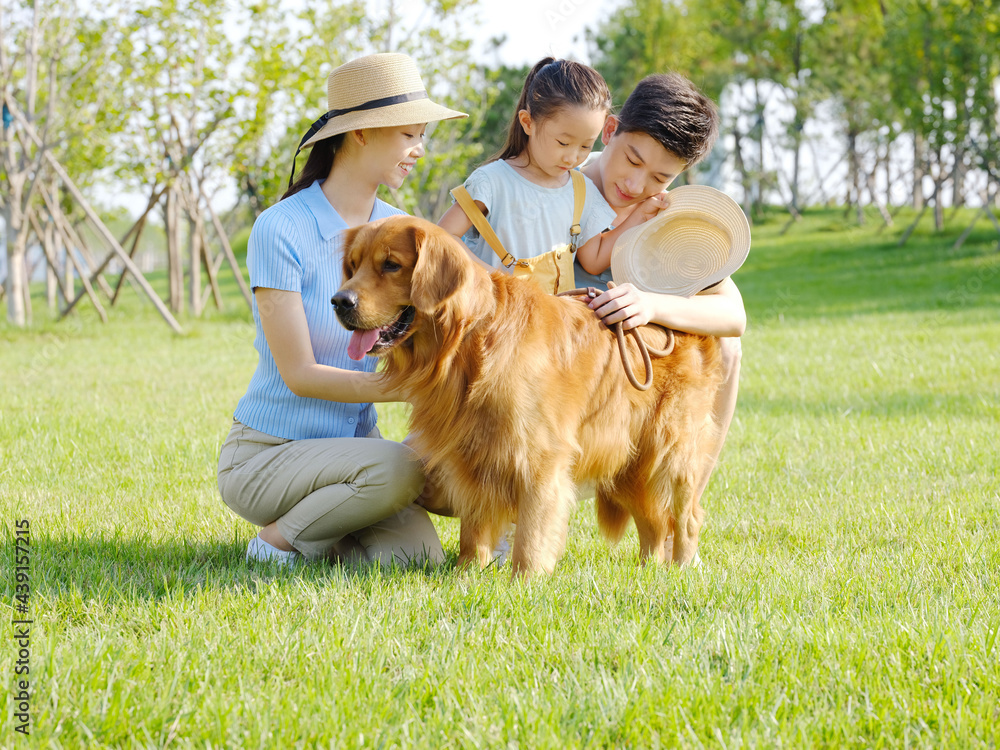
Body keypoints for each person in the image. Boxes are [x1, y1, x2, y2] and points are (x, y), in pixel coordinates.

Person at [217, 53, 467, 567]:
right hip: (270, 452)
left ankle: (328, 531)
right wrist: (411, 388)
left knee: (415, 560)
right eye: (408, 135)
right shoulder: (280, 227)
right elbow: (300, 375)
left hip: (357, 448)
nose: (418, 150)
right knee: (400, 469)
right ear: (360, 133)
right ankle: (276, 543)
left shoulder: (401, 230)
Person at [579, 73, 745, 554]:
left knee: (725, 350)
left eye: (660, 176)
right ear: (610, 130)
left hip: (635, 357)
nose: (635, 184)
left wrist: (650, 304)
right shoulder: (559, 180)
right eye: (632, 159)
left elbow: (733, 315)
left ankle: (682, 514)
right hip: (563, 358)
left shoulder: (665, 212)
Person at [438, 58, 651, 275]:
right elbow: (443, 236)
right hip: (495, 306)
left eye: (586, 146)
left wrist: (640, 215)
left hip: (550, 310)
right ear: (528, 122)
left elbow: (594, 260)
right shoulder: (493, 180)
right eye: (563, 143)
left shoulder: (582, 191)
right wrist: (496, 280)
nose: (572, 158)